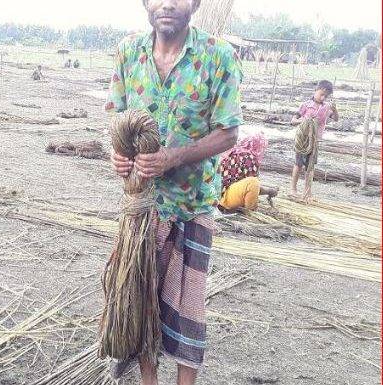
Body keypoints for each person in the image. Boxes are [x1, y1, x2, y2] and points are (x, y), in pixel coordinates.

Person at [106, 0, 242, 384]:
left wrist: (173, 157)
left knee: (188, 307)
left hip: (192, 205)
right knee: (141, 299)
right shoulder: (129, 51)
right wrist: (117, 153)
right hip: (143, 208)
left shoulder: (218, 56)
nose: (167, 3)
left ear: (195, 3)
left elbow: (229, 131)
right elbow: (117, 117)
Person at [289, 80, 339, 202]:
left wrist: (335, 109)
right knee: (298, 164)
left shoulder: (327, 108)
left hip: (315, 142)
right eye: (321, 94)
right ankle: (293, 189)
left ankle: (307, 192)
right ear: (316, 90)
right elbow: (293, 120)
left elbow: (336, 119)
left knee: (310, 167)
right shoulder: (305, 105)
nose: (323, 97)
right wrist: (305, 120)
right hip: (303, 140)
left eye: (325, 96)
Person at [218, 132, 278, 212]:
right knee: (253, 182)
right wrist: (269, 191)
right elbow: (252, 188)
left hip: (218, 195)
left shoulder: (234, 152)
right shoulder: (249, 158)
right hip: (226, 198)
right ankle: (250, 212)